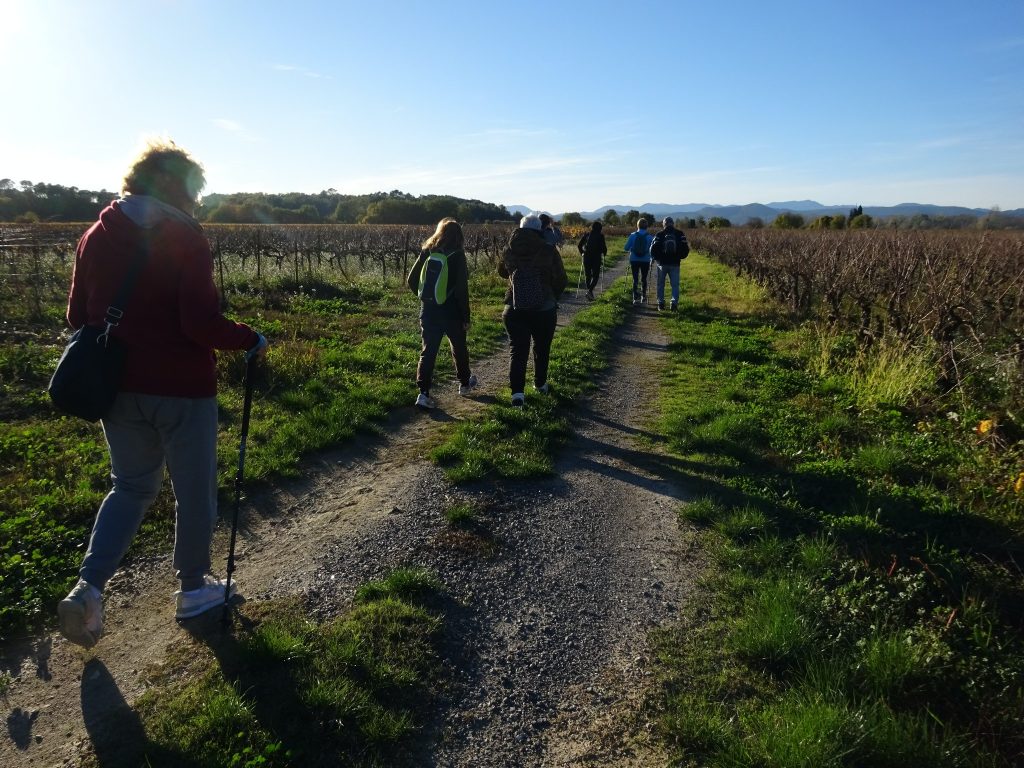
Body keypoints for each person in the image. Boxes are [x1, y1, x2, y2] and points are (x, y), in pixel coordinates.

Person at [57, 140, 267, 649]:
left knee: (130, 487)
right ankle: (193, 589)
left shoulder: (95, 234)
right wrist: (249, 338)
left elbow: (77, 316)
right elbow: (199, 323)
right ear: (182, 188)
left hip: (115, 387)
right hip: (181, 388)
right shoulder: (184, 237)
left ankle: (89, 589)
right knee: (194, 490)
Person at [407, 217, 477, 409]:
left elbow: (411, 280)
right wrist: (466, 316)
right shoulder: (457, 255)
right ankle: (464, 384)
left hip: (429, 310)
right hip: (451, 311)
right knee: (459, 347)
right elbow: (461, 290)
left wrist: (426, 297)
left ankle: (423, 393)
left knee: (428, 351)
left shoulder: (427, 250)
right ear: (459, 236)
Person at [498, 214, 568, 406]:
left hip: (514, 307)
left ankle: (517, 395)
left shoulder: (508, 249)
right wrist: (552, 296)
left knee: (517, 351)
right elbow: (561, 279)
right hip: (544, 308)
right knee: (542, 348)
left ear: (520, 228)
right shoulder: (548, 249)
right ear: (540, 229)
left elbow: (502, 272)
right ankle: (540, 384)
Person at [649, 216, 690, 311]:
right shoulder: (680, 234)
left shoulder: (659, 234)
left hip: (662, 264)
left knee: (660, 284)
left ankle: (661, 304)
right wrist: (680, 257)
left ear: (664, 224)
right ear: (673, 223)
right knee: (675, 285)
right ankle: (674, 304)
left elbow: (653, 249)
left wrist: (656, 258)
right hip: (675, 263)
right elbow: (686, 248)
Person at [624, 218, 652, 304]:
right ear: (647, 226)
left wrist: (632, 249)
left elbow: (626, 248)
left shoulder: (632, 235)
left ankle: (635, 298)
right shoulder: (650, 237)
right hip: (645, 260)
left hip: (634, 259)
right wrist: (652, 258)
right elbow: (652, 250)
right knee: (644, 278)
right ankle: (643, 296)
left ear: (637, 225)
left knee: (635, 278)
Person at [577, 221, 607, 301]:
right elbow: (603, 247)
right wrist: (604, 253)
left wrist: (582, 253)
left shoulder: (587, 234)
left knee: (588, 275)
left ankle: (589, 293)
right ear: (600, 228)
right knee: (595, 276)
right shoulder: (600, 236)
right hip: (596, 257)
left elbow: (579, 245)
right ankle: (589, 291)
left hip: (586, 257)